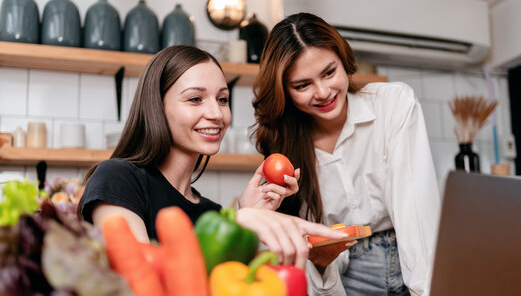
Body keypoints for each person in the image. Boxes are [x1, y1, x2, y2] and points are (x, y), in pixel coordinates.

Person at [78, 45, 347, 269]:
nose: (217, 114)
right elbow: (138, 279)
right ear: (156, 107)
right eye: (195, 99)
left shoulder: (211, 212)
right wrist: (235, 222)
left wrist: (248, 217)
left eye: (222, 99)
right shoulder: (117, 178)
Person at [251, 13, 440, 296]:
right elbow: (313, 270)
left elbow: (415, 210)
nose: (323, 92)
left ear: (343, 58)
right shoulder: (285, 150)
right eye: (302, 85)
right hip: (350, 282)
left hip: (416, 263)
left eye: (329, 72)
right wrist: (322, 262)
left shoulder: (393, 105)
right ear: (284, 90)